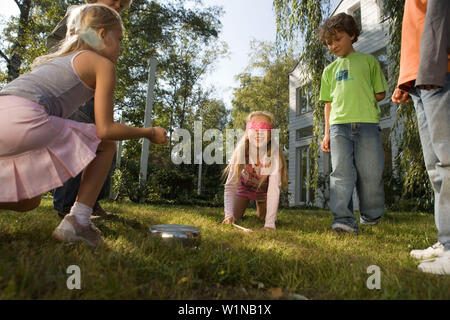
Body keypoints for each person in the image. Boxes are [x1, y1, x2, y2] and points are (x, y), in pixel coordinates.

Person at [0, 4, 168, 247]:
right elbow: (105, 130)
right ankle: (78, 220)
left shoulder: (60, 59)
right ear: (101, 34)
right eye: (119, 39)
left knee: (28, 200)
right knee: (106, 144)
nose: (120, 48)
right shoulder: (102, 65)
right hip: (25, 118)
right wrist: (148, 132)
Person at [48, 0, 133, 219]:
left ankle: (90, 202)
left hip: (92, 91)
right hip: (73, 88)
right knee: (78, 145)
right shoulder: (80, 16)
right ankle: (67, 204)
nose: (117, 4)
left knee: (103, 145)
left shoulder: (107, 27)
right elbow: (56, 42)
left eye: (121, 5)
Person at [392, 0, 449, 275]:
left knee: (448, 162)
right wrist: (407, 79)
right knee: (436, 168)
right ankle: (446, 240)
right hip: (420, 79)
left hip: (441, 71)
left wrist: (430, 66)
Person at [319, 13, 389, 234]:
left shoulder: (369, 61)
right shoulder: (329, 71)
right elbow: (328, 104)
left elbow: (380, 93)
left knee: (370, 173)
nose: (332, 45)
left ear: (352, 35)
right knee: (340, 173)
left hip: (367, 125)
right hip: (339, 127)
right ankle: (343, 220)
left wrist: (360, 95)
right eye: (329, 42)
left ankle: (371, 216)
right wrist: (326, 133)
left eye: (337, 39)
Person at [221, 111, 288, 230]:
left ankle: (262, 206)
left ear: (270, 134)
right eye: (254, 128)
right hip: (245, 187)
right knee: (235, 217)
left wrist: (270, 224)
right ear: (247, 133)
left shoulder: (274, 156)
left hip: (264, 190)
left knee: (263, 217)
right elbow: (231, 186)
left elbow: (274, 190)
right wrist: (228, 215)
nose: (258, 133)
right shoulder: (240, 153)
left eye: (264, 129)